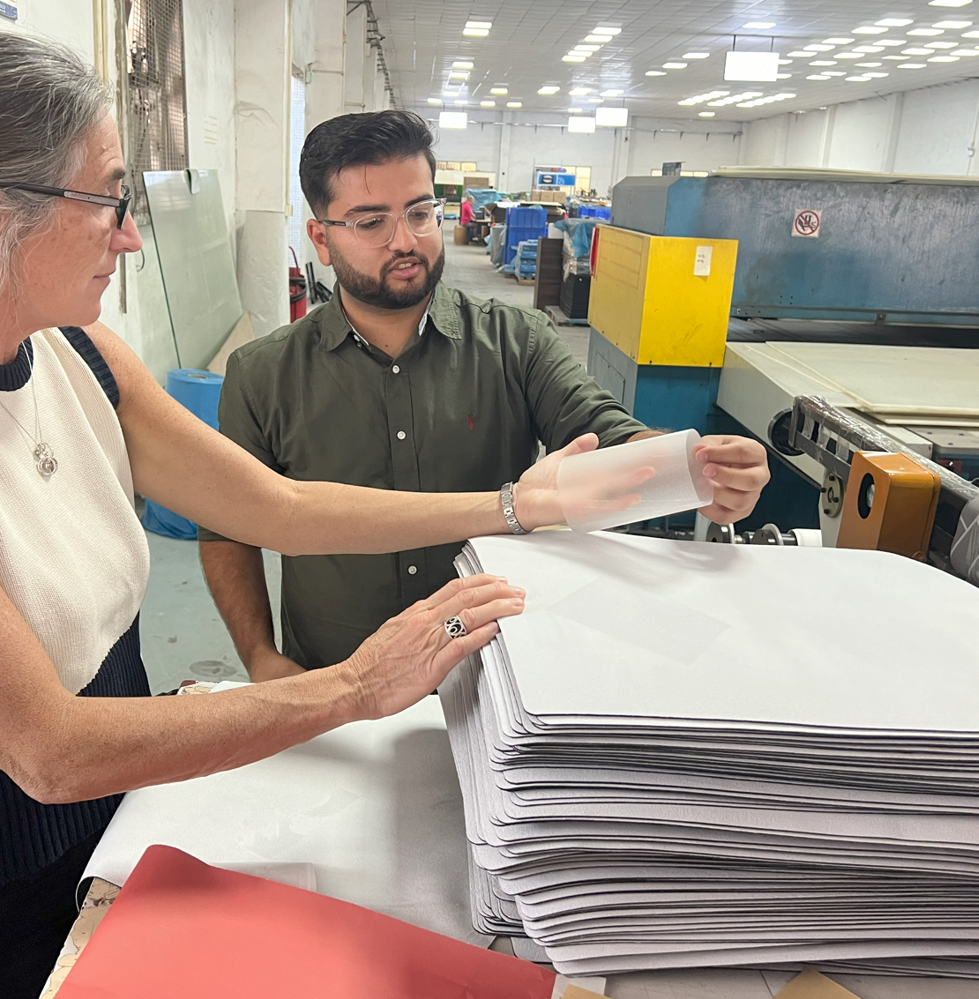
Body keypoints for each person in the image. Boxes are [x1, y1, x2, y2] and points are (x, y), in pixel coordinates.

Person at [0, 29, 628, 999]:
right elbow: (45, 750)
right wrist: (352, 688)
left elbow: (277, 508)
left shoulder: (76, 355)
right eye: (109, 197)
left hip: (120, 819)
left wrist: (514, 502)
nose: (128, 235)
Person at [198, 110, 771, 682]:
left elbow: (602, 430)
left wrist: (692, 474)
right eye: (371, 222)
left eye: (420, 212)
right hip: (331, 677)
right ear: (321, 239)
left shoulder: (516, 343)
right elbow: (228, 530)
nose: (406, 240)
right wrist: (260, 656)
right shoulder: (263, 374)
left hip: (493, 676)